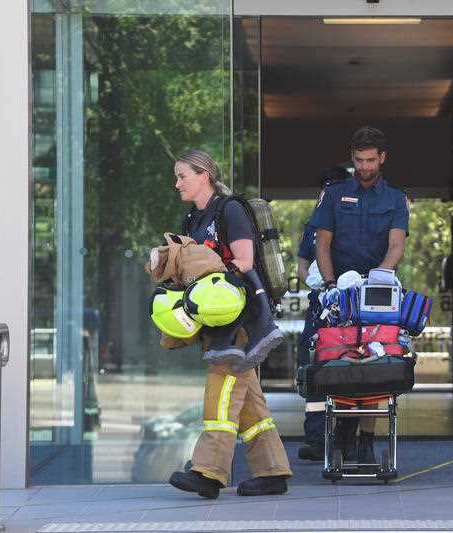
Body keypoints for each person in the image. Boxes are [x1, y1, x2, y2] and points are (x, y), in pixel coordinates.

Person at [167, 149, 292, 499]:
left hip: (241, 320)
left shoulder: (230, 210)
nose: (177, 184)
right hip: (216, 321)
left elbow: (244, 260)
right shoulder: (193, 219)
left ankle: (208, 472)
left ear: (204, 175)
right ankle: (272, 471)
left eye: (182, 176)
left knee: (220, 394)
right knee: (250, 403)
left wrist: (210, 281)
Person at [310, 126, 409, 465]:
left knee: (377, 365)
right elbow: (322, 244)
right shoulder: (335, 195)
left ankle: (365, 440)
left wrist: (377, 280)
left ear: (382, 158)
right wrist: (330, 285)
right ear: (352, 158)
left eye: (370, 160)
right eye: (359, 160)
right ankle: (342, 431)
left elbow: (396, 246)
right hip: (339, 291)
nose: (364, 166)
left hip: (377, 290)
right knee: (339, 359)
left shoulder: (395, 198)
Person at [295, 165, 352, 462]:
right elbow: (302, 265)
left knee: (351, 367)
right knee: (312, 366)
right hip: (321, 304)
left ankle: (346, 439)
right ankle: (317, 439)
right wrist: (314, 282)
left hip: (351, 305)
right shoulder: (314, 225)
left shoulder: (356, 222)